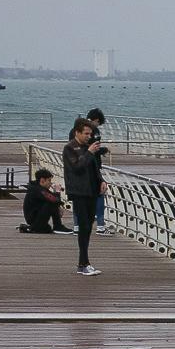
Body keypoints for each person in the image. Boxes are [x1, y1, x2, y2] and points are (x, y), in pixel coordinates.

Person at [61, 117, 106, 275]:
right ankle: (83, 263)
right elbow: (77, 167)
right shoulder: (69, 148)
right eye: (86, 133)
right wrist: (89, 152)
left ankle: (85, 262)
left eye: (90, 133)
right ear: (77, 132)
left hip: (92, 191)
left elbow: (95, 168)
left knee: (88, 226)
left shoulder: (88, 148)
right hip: (79, 192)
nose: (89, 136)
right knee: (84, 226)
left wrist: (101, 181)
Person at [85, 107, 113, 235]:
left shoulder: (76, 129)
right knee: (100, 192)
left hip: (79, 166)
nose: (98, 125)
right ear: (96, 120)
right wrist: (104, 149)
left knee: (81, 195)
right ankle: (100, 226)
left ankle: (78, 226)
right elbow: (94, 148)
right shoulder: (93, 130)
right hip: (93, 166)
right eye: (98, 122)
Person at [18, 168, 69, 234]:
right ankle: (58, 226)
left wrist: (59, 205)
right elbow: (54, 200)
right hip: (35, 220)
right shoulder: (37, 190)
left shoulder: (38, 188)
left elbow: (53, 199)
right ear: (42, 180)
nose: (50, 183)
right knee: (51, 204)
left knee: (47, 229)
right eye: (49, 180)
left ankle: (33, 228)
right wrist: (57, 191)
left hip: (35, 219)